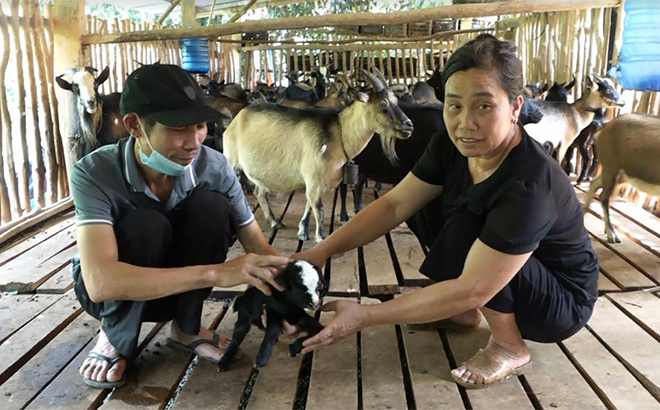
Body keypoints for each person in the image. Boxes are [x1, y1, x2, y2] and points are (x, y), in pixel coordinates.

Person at [292, 34, 599, 389]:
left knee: (469, 223)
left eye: (484, 106)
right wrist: (319, 252)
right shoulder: (452, 145)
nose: (465, 122)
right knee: (420, 204)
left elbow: (473, 287)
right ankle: (462, 315)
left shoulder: (530, 183)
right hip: (503, 272)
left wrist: (366, 316)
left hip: (558, 302)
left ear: (515, 107)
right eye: (454, 106)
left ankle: (508, 344)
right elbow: (394, 205)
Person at [69, 62, 289, 389]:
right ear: (134, 125)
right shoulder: (94, 172)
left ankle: (187, 327)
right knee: (146, 224)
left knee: (211, 206)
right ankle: (115, 334)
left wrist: (292, 284)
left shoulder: (213, 166)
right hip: (111, 295)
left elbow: (256, 243)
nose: (194, 141)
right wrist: (216, 273)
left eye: (200, 125)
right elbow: (100, 283)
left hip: (178, 288)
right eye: (177, 128)